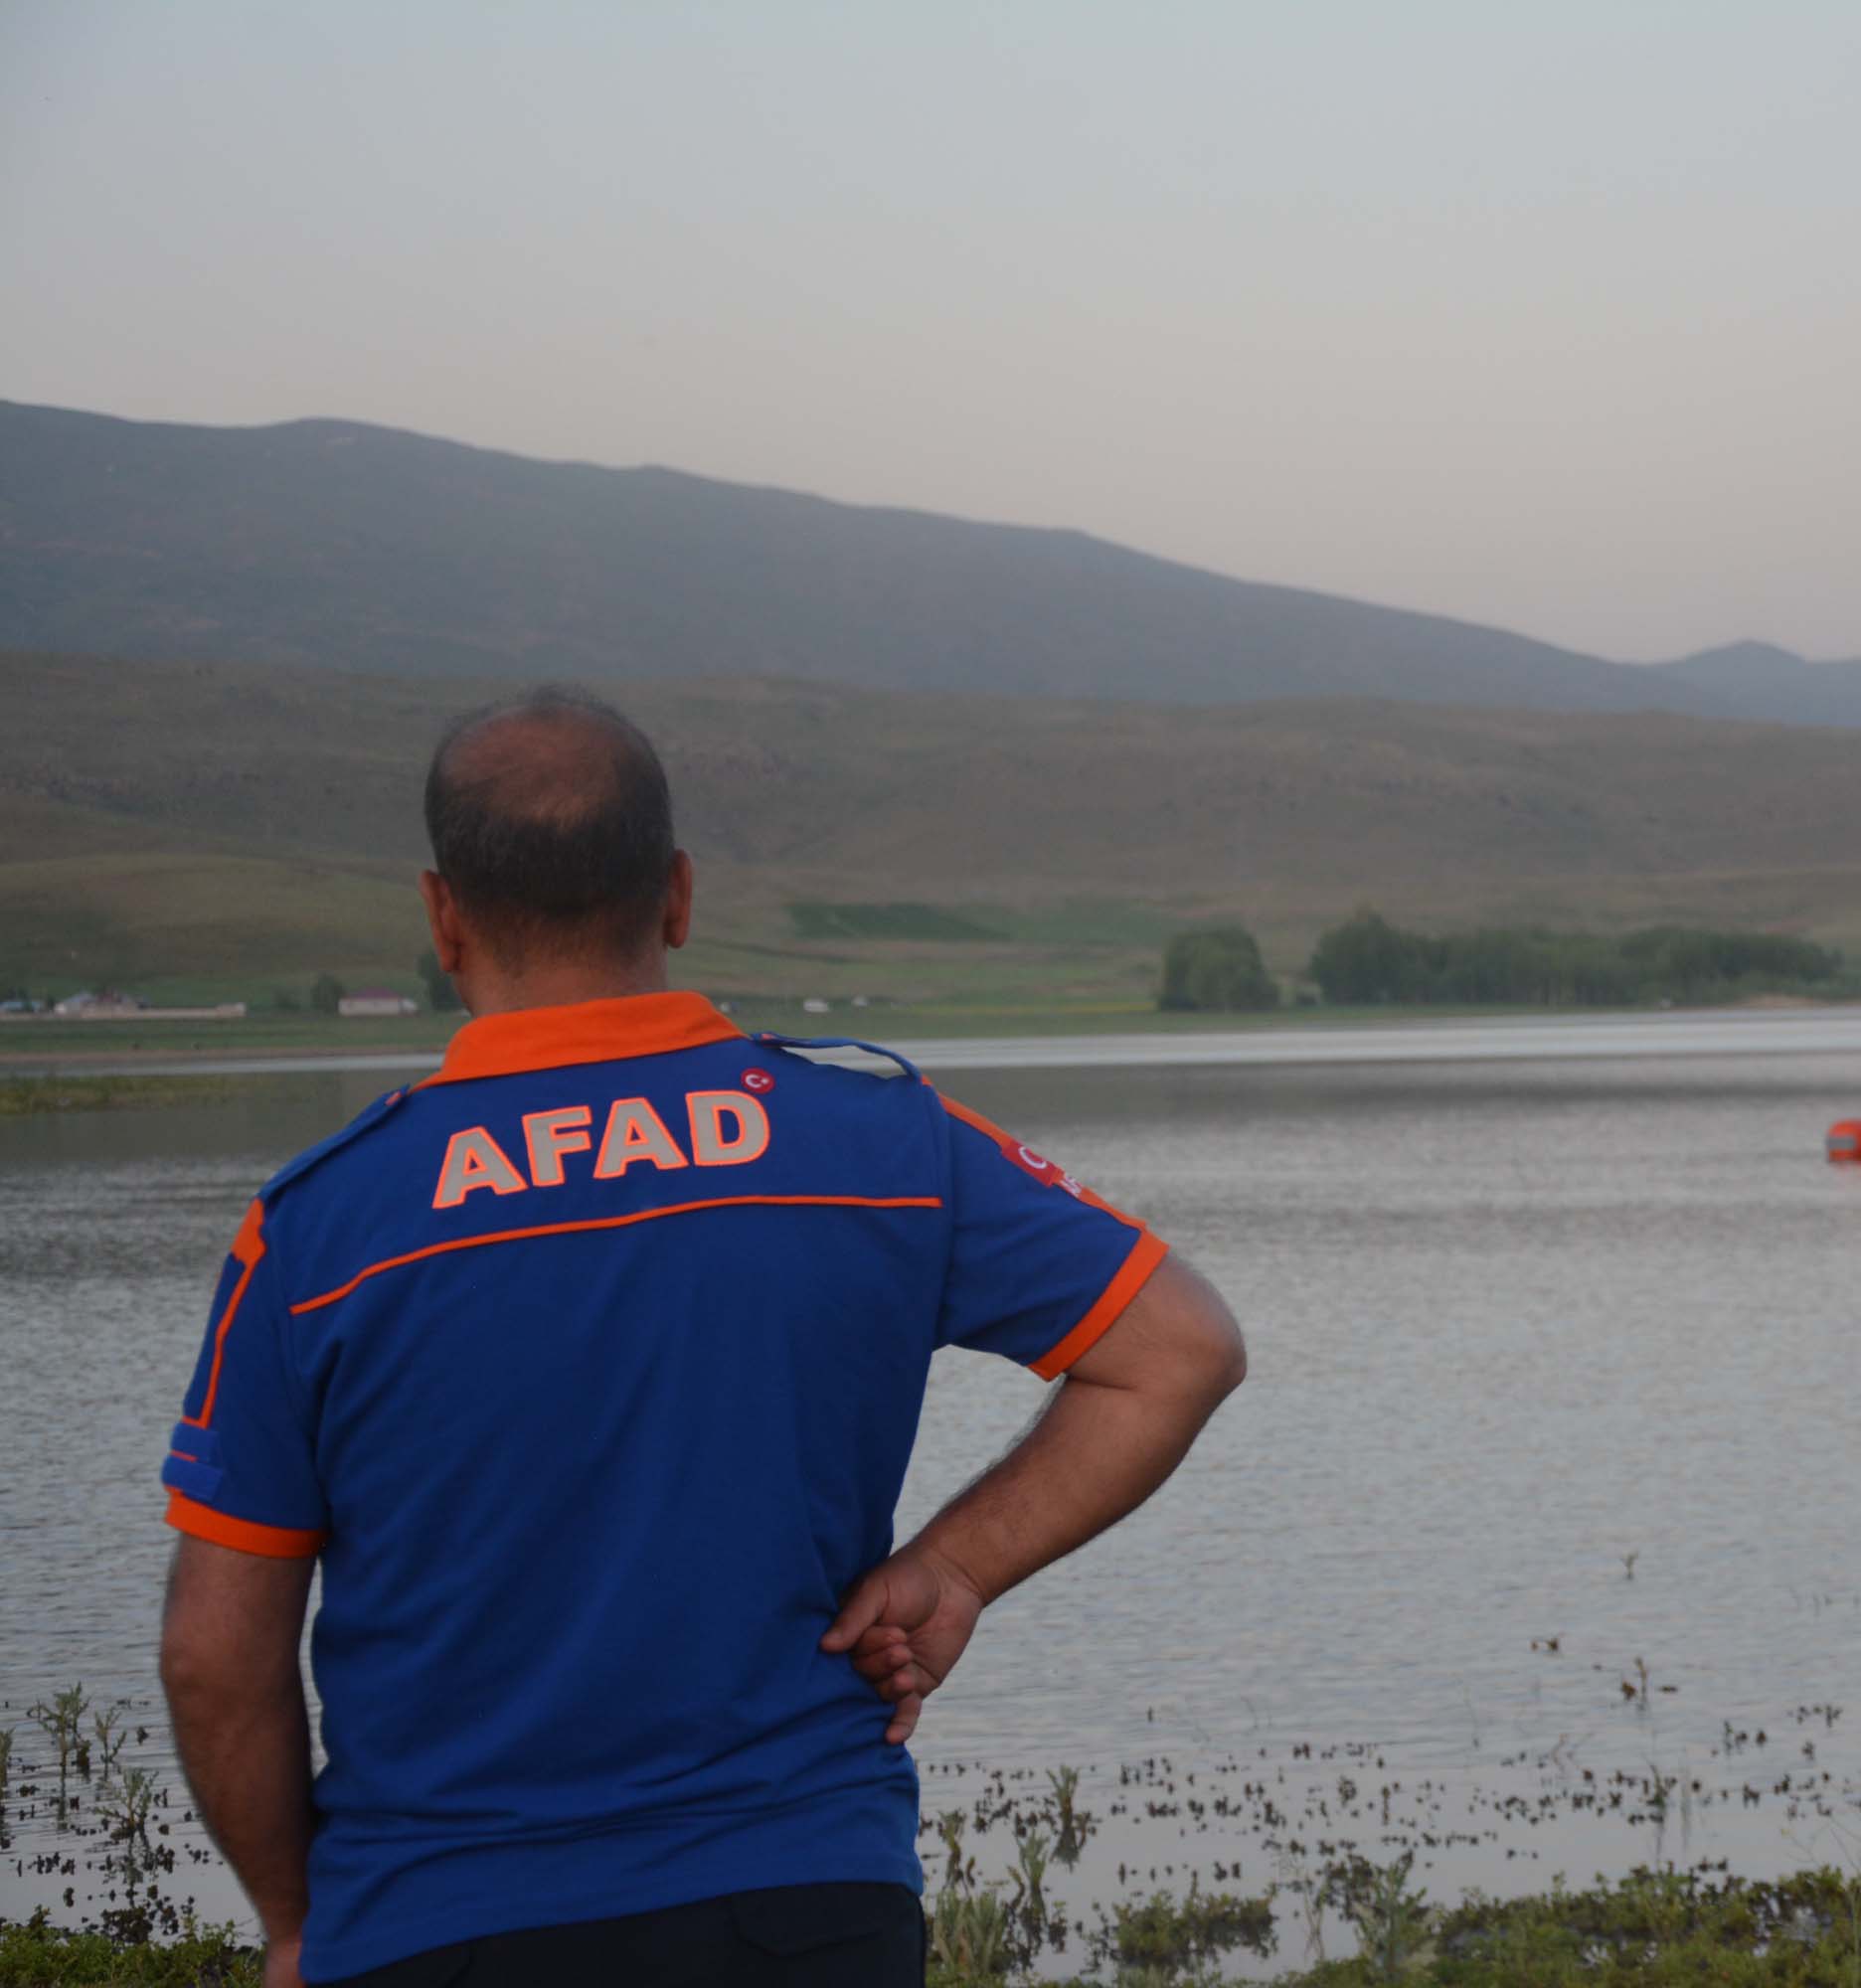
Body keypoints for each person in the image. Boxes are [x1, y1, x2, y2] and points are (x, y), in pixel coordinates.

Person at [155, 689, 1247, 1988]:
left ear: (443, 917)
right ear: (676, 895)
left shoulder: (322, 1227)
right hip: (804, 1903)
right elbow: (1179, 1347)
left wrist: (294, 1924)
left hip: (438, 1923)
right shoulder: (878, 1146)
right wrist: (956, 1569)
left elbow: (215, 1656)